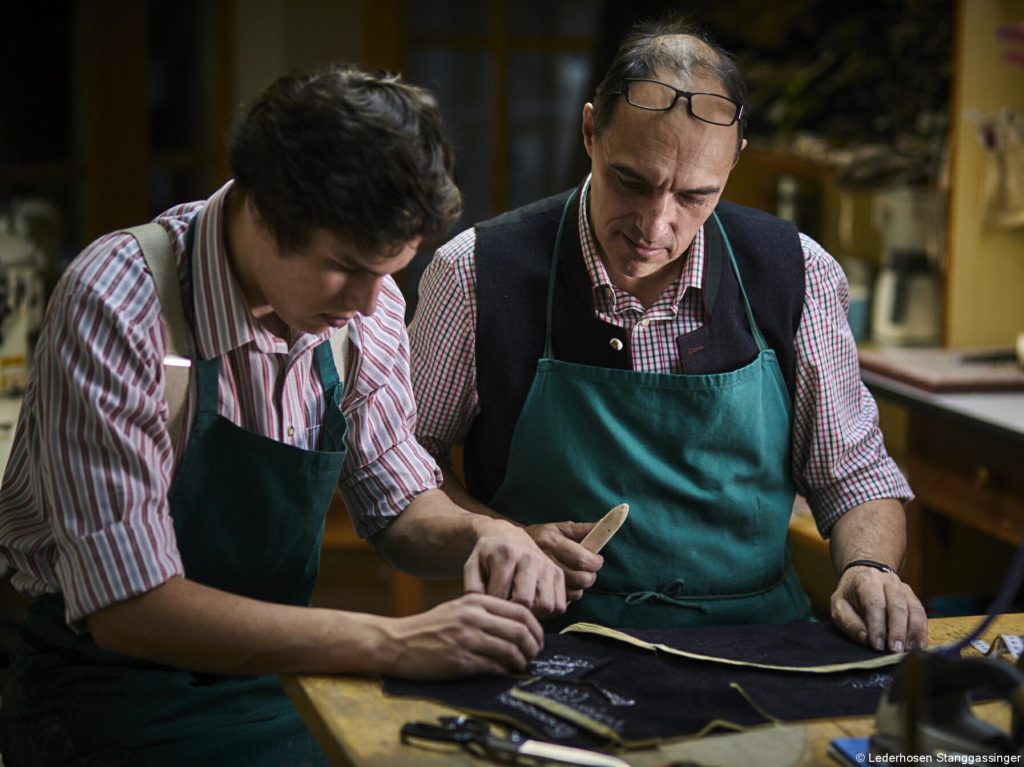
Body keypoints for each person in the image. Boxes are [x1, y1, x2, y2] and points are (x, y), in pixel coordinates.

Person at [0, 65, 567, 767]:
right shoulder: (119, 302)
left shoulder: (369, 307)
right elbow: (128, 607)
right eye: (346, 267)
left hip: (277, 676)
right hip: (109, 692)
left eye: (389, 271)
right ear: (262, 210)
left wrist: (487, 534)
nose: (369, 301)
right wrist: (394, 641)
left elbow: (398, 509)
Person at [408, 18, 928, 652]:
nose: (656, 224)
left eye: (694, 195)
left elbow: (852, 475)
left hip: (758, 641)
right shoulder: (476, 273)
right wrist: (499, 534)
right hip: (543, 641)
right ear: (590, 131)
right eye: (634, 181)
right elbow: (409, 471)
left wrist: (869, 568)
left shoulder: (798, 274)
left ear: (734, 162)